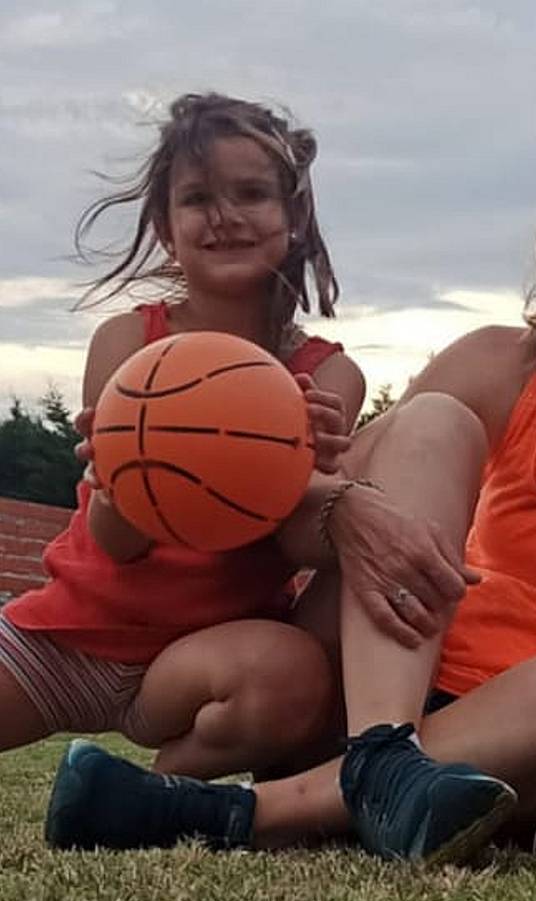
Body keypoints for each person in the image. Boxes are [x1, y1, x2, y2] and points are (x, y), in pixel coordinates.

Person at [45, 115, 536, 866]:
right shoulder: (496, 365)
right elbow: (295, 529)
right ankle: (385, 759)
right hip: (376, 697)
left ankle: (247, 815)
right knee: (430, 421)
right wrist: (343, 502)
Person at [1, 93, 365, 789]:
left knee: (292, 676)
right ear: (168, 229)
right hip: (66, 637)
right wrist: (130, 467)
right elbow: (116, 541)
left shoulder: (328, 377)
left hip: (205, 657)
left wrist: (305, 470)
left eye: (252, 194)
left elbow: (295, 535)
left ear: (295, 221)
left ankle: (148, 792)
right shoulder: (128, 343)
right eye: (198, 198)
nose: (225, 216)